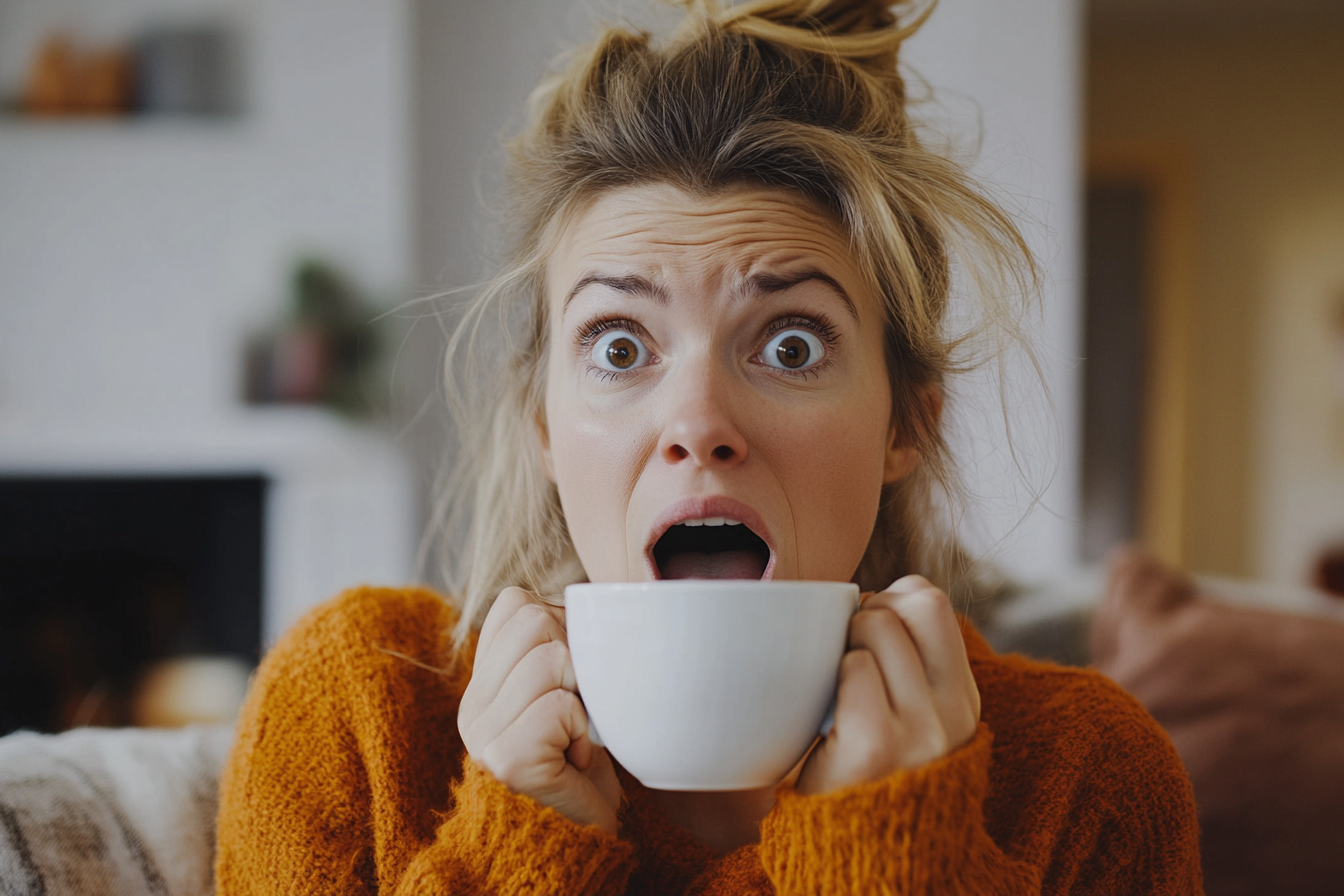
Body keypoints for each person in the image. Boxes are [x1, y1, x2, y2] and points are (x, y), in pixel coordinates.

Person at [214, 1, 1203, 893]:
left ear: (907, 423)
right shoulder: (359, 711)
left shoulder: (1087, 780)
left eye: (791, 343)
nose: (698, 423)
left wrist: (891, 856)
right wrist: (511, 855)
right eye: (618, 344)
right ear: (548, 430)